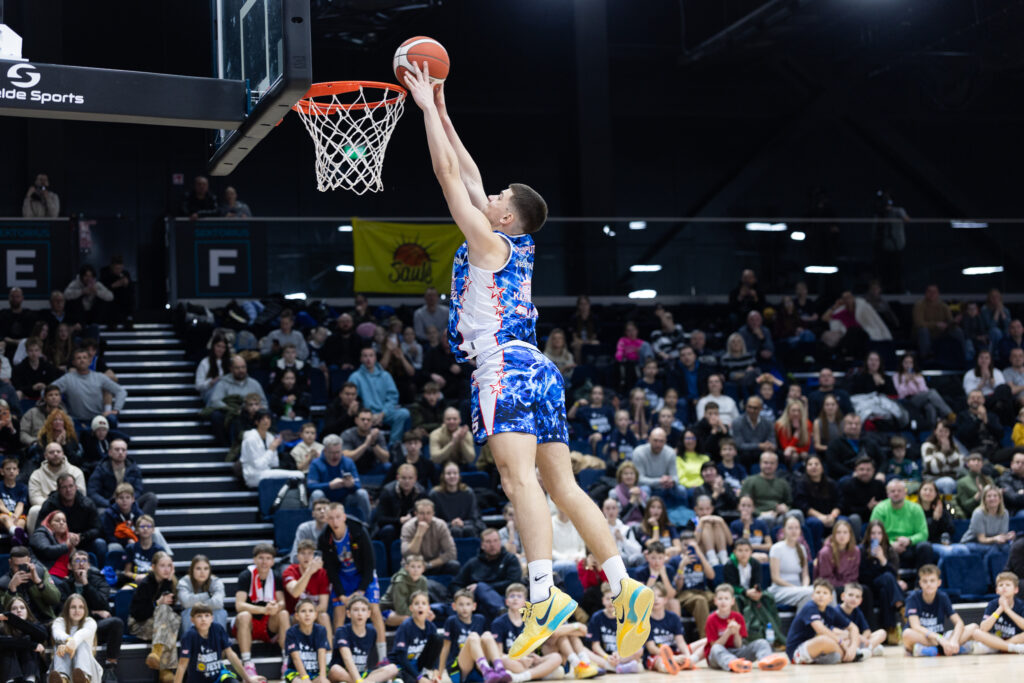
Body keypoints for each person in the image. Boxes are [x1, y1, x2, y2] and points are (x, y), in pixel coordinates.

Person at [405, 66, 650, 661]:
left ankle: (542, 597)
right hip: (539, 368)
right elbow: (469, 174)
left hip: (504, 368)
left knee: (519, 482)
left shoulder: (488, 243)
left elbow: (448, 176)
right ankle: (624, 585)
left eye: (496, 200)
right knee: (563, 485)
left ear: (506, 217)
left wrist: (422, 108)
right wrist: (443, 110)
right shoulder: (518, 243)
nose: (487, 197)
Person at [318, 504, 386, 661]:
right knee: (339, 613)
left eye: (338, 517)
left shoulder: (359, 531)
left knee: (374, 610)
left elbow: (370, 564)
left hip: (363, 574)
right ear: (326, 519)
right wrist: (341, 594)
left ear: (344, 517)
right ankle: (339, 657)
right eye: (331, 518)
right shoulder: (324, 538)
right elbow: (331, 570)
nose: (335, 521)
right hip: (342, 576)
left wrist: (361, 590)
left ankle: (383, 658)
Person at [58, 549, 124, 678]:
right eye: (77, 560)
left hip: (94, 627)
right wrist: (94, 612)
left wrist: (86, 585)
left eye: (84, 560)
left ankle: (110, 668)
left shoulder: (99, 581)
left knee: (116, 623)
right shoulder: (64, 586)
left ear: (88, 565)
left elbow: (104, 606)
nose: (81, 563)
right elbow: (64, 611)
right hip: (73, 629)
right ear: (70, 566)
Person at [235, 543, 290, 676]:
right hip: (249, 624)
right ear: (254, 560)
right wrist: (263, 610)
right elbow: (239, 605)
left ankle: (287, 661)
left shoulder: (276, 576)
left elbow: (282, 602)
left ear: (272, 561)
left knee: (283, 613)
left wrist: (277, 607)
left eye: (268, 558)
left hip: (268, 624)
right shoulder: (246, 575)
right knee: (244, 615)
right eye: (261, 558)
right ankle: (247, 662)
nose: (264, 562)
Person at [705, 584, 787, 673]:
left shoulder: (738, 617)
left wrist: (736, 633)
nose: (723, 602)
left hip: (736, 652)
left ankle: (767, 661)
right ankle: (732, 663)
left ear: (732, 601)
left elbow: (738, 646)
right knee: (716, 648)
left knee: (762, 642)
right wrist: (727, 633)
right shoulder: (711, 619)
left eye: (726, 598)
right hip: (718, 656)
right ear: (715, 601)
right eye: (720, 599)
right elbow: (714, 645)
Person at [450, 528, 523, 622]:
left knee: (481, 586)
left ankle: (502, 612)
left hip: (504, 598)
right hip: (479, 602)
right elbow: (455, 584)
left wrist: (483, 587)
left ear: (500, 542)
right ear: (482, 545)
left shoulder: (510, 559)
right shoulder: (473, 563)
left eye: (495, 541)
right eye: (488, 542)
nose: (492, 545)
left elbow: (514, 582)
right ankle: (501, 614)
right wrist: (465, 594)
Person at [722, 538, 784, 648]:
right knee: (737, 600)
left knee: (768, 597)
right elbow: (731, 586)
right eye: (740, 550)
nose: (743, 554)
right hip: (738, 593)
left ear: (751, 552)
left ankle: (775, 633)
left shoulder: (755, 563)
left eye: (746, 550)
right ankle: (745, 636)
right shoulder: (729, 564)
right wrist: (746, 592)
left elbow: (758, 581)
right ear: (734, 552)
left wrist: (757, 591)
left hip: (752, 592)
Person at [130, 551, 182, 679]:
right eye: (162, 565)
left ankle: (157, 655)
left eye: (169, 566)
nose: (166, 569)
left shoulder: (170, 583)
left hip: (159, 626)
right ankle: (165, 670)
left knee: (171, 619)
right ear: (153, 567)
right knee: (166, 616)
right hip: (139, 625)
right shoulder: (145, 584)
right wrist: (157, 603)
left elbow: (173, 609)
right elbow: (138, 614)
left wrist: (168, 583)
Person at [175, 602, 256, 683]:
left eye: (207, 615)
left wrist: (248, 679)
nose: (203, 619)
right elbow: (182, 665)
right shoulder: (189, 636)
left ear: (212, 618)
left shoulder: (217, 629)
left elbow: (231, 655)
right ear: (192, 620)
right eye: (199, 616)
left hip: (218, 677)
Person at [785, 578, 859, 665]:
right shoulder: (810, 607)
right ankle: (851, 656)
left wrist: (853, 647)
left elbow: (853, 627)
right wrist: (841, 643)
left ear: (831, 598)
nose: (821, 595)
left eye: (825, 593)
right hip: (797, 651)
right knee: (824, 639)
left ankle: (847, 654)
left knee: (848, 636)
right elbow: (820, 630)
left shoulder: (830, 611)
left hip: (814, 649)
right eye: (818, 592)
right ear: (812, 596)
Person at [902, 564, 970, 656]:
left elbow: (959, 622)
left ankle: (932, 650)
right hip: (925, 637)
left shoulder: (943, 597)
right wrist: (939, 638)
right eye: (925, 581)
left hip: (940, 637)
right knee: (907, 634)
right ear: (920, 583)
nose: (928, 584)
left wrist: (954, 640)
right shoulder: (913, 598)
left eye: (932, 581)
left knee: (973, 627)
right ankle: (946, 649)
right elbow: (916, 626)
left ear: (939, 582)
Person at [348, 348, 411, 444]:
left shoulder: (386, 376)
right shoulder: (355, 377)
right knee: (360, 417)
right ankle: (365, 444)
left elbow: (393, 398)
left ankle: (394, 445)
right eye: (365, 356)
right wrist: (369, 415)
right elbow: (353, 399)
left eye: (371, 355)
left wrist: (382, 414)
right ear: (361, 359)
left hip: (385, 413)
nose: (368, 359)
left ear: (375, 358)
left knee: (404, 413)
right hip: (366, 414)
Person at [871, 479, 936, 569]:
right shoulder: (879, 509)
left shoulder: (916, 509)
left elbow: (923, 534)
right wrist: (891, 544)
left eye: (899, 491)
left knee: (925, 546)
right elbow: (873, 534)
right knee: (874, 547)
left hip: (909, 545)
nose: (896, 493)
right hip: (886, 546)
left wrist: (909, 540)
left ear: (905, 493)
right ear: (887, 494)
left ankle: (922, 577)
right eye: (892, 491)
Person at [53, 347, 126, 427]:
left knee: (112, 418)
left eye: (85, 358)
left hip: (98, 419)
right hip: (76, 420)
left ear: (90, 361)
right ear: (74, 362)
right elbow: (48, 391)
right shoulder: (67, 379)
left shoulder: (99, 377)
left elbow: (121, 391)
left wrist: (116, 410)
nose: (82, 360)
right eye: (79, 358)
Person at [307, 434, 372, 523]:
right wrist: (329, 485)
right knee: (317, 494)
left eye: (338, 452)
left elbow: (358, 485)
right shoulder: (316, 463)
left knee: (362, 493)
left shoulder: (348, 462)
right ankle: (314, 525)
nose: (336, 455)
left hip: (346, 499)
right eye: (332, 453)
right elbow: (310, 486)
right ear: (325, 451)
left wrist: (351, 485)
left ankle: (367, 525)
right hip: (325, 500)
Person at [586, 582, 643, 674]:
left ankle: (616, 666)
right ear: (603, 600)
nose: (611, 602)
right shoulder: (596, 617)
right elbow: (595, 645)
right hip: (604, 656)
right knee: (584, 651)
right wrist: (606, 657)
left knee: (639, 649)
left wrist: (619, 655)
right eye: (608, 599)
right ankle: (620, 667)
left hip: (621, 656)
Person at [641, 583, 699, 673]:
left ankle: (686, 662)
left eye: (659, 596)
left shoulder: (673, 617)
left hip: (674, 652)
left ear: (665, 600)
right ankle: (667, 667)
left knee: (705, 642)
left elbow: (680, 642)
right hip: (656, 655)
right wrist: (671, 657)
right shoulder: (645, 620)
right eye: (653, 596)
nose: (656, 599)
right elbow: (651, 648)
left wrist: (687, 656)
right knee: (659, 661)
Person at [964, 570, 1024, 654]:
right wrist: (999, 609)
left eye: (1008, 585)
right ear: (997, 590)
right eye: (1001, 585)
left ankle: (999, 647)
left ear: (1016, 589)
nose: (1004, 587)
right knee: (976, 632)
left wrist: (1007, 610)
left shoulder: (1021, 605)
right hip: (994, 638)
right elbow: (983, 628)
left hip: (1013, 639)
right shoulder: (992, 604)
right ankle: (1011, 648)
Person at [50, 594, 105, 683]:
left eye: (81, 607)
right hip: (63, 668)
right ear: (67, 609)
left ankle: (83, 678)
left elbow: (81, 634)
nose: (77, 610)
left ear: (85, 609)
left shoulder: (90, 622)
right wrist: (68, 641)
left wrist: (71, 642)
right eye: (73, 607)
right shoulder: (59, 621)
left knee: (81, 644)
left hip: (89, 670)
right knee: (60, 645)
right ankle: (62, 679)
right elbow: (57, 633)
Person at [672, 534, 717, 638]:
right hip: (684, 594)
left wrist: (699, 553)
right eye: (685, 545)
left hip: (702, 591)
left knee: (725, 597)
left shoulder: (700, 558)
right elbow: (677, 588)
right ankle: (706, 638)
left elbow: (711, 576)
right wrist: (682, 566)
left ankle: (735, 635)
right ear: (680, 545)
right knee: (700, 600)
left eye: (692, 545)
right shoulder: (675, 560)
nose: (688, 548)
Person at [284, 539, 332, 636]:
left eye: (310, 553)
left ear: (314, 556)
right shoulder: (290, 571)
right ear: (297, 556)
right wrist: (309, 572)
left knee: (324, 616)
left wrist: (308, 615)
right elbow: (295, 593)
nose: (306, 557)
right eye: (303, 553)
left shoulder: (322, 573)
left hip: (314, 614)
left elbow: (323, 606)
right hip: (295, 615)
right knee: (293, 616)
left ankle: (329, 646)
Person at [401, 499, 460, 575]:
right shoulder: (407, 527)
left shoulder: (440, 525)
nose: (425, 517)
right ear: (416, 514)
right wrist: (419, 533)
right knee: (405, 570)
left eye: (428, 513)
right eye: (421, 513)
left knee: (454, 565)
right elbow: (407, 554)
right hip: (413, 565)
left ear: (433, 514)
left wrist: (428, 565)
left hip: (433, 564)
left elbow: (451, 553)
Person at [767, 516, 814, 609]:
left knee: (828, 591)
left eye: (796, 528)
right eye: (790, 528)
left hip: (799, 589)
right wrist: (796, 588)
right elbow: (775, 578)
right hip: (780, 590)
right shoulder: (776, 548)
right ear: (784, 530)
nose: (794, 531)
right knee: (809, 594)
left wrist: (804, 586)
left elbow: (805, 575)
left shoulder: (802, 548)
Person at [0, 595, 48, 683]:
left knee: (27, 640)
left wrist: (14, 619)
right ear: (9, 611)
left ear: (27, 611)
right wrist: (31, 645)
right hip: (9, 672)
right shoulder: (2, 629)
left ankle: (30, 679)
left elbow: (43, 636)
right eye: (14, 608)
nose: (19, 610)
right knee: (9, 646)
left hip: (31, 670)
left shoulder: (35, 626)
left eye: (22, 608)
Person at [913, 284, 968, 362]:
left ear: (938, 293)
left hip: (940, 333)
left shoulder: (943, 306)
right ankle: (926, 358)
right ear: (926, 293)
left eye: (934, 292)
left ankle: (963, 356)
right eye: (929, 291)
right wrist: (936, 324)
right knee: (923, 330)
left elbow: (949, 321)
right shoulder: (919, 305)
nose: (932, 294)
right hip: (925, 334)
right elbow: (918, 323)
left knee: (957, 330)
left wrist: (954, 322)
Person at [430, 462, 485, 538]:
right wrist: (451, 524)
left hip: (467, 526)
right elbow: (433, 519)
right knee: (455, 530)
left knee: (468, 530)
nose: (452, 476)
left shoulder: (468, 493)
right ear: (443, 476)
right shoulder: (435, 494)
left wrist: (463, 523)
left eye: (455, 473)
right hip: (444, 527)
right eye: (448, 473)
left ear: (459, 476)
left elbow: (474, 517)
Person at [178, 554, 228, 635]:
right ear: (192, 570)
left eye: (206, 568)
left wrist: (194, 602)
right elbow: (186, 602)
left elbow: (218, 603)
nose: (202, 572)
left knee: (219, 612)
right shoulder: (184, 582)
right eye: (198, 568)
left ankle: (219, 642)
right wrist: (208, 595)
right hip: (192, 615)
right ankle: (191, 642)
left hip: (212, 614)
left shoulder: (216, 581)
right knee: (189, 612)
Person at [739, 451, 794, 524]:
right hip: (758, 517)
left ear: (776, 465)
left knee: (797, 513)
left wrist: (785, 508)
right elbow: (742, 505)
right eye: (765, 463)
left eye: (772, 463)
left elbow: (789, 503)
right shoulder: (750, 481)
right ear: (760, 463)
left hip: (779, 516)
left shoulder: (783, 483)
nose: (768, 466)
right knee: (768, 518)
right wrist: (760, 513)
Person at [285, 599, 332, 683]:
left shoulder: (321, 630)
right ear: (297, 616)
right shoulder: (291, 632)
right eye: (303, 611)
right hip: (297, 672)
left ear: (315, 615)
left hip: (316, 672)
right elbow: (295, 658)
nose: (307, 614)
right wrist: (305, 677)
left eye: (311, 611)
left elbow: (322, 653)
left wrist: (322, 677)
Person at [824, 413, 883, 480]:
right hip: (846, 476)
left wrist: (881, 472)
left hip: (871, 476)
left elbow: (883, 459)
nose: (854, 426)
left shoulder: (870, 441)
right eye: (850, 423)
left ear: (861, 426)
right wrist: (852, 473)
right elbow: (833, 464)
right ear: (843, 425)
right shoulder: (834, 443)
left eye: (857, 424)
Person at [794, 455, 841, 538]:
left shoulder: (831, 483)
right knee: (815, 523)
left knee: (844, 521)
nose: (813, 466)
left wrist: (833, 516)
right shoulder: (801, 484)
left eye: (816, 464)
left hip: (831, 515)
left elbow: (839, 502)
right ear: (806, 468)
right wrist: (821, 517)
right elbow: (803, 505)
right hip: (812, 517)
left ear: (822, 467)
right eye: (810, 464)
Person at [961, 485, 1015, 556]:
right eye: (989, 496)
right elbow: (981, 539)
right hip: (973, 542)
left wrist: (1007, 537)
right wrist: (995, 539)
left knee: (1008, 547)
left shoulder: (1004, 513)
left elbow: (1001, 536)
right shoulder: (978, 513)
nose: (992, 498)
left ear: (1000, 499)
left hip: (993, 542)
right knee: (994, 550)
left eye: (995, 496)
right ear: (984, 500)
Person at [836, 583, 886, 657]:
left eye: (857, 597)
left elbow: (867, 630)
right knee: (846, 639)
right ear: (843, 596)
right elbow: (835, 631)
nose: (854, 599)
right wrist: (857, 637)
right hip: (845, 640)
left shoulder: (857, 611)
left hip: (858, 641)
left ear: (860, 601)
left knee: (882, 633)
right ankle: (867, 650)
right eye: (850, 595)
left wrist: (863, 639)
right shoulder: (836, 611)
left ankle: (866, 650)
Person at [381, 555, 430, 628]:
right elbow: (400, 609)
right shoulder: (400, 581)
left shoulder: (423, 581)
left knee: (429, 615)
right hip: (388, 609)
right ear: (407, 567)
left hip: (410, 609)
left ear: (423, 569)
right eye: (413, 566)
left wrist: (425, 612)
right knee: (407, 618)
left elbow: (425, 601)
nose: (416, 570)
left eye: (419, 567)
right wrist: (418, 613)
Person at [341, 409, 392, 476]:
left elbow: (386, 459)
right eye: (363, 419)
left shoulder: (377, 435)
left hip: (373, 468)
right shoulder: (347, 434)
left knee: (387, 466)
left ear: (372, 422)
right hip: (353, 469)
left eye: (368, 420)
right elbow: (346, 457)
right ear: (356, 420)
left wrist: (373, 444)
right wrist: (365, 444)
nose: (366, 422)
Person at [918, 479, 959, 560]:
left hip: (943, 542)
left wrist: (942, 515)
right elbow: (926, 535)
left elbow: (951, 529)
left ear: (936, 494)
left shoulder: (941, 509)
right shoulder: (915, 510)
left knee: (963, 550)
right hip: (926, 544)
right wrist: (935, 519)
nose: (928, 493)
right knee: (947, 553)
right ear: (919, 492)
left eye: (931, 490)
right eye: (925, 490)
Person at [814, 521, 859, 592]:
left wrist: (848, 585)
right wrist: (843, 585)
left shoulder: (855, 551)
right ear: (833, 535)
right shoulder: (825, 552)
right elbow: (826, 578)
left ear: (850, 535)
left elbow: (854, 575)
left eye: (845, 532)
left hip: (849, 585)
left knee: (865, 591)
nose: (842, 535)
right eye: (838, 532)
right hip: (829, 587)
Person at [729, 496, 772, 561]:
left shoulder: (761, 523)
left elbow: (769, 545)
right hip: (744, 555)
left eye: (749, 506)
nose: (746, 508)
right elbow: (742, 545)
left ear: (753, 508)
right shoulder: (734, 525)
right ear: (738, 507)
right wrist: (746, 525)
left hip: (761, 554)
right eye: (743, 505)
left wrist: (753, 546)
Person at [100, 255, 136, 329]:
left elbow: (131, 288)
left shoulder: (125, 274)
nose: (118, 270)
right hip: (111, 301)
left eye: (120, 268)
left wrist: (127, 284)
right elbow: (102, 289)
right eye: (116, 268)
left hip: (122, 300)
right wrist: (115, 285)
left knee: (129, 295)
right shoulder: (105, 273)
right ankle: (112, 321)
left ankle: (128, 318)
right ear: (111, 267)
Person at [1, 456, 29, 545]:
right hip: (4, 514)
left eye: (14, 469)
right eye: (8, 469)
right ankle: (17, 534)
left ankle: (16, 539)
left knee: (21, 521)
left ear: (18, 471)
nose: (11, 471)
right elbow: (0, 505)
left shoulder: (23, 487)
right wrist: (10, 514)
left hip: (17, 514)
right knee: (5, 518)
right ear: (2, 471)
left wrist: (16, 516)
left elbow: (20, 505)